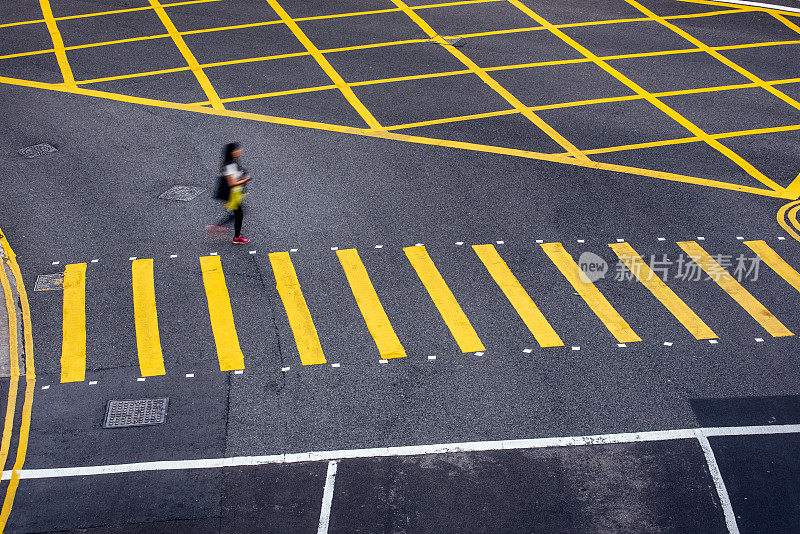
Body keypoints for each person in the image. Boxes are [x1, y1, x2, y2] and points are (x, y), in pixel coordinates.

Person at [209, 143, 251, 244]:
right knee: (239, 214)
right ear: (232, 152)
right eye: (237, 150)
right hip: (232, 196)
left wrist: (243, 177)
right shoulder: (228, 166)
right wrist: (245, 180)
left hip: (236, 194)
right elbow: (232, 183)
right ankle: (233, 235)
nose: (240, 151)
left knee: (238, 214)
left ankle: (234, 235)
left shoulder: (234, 163)